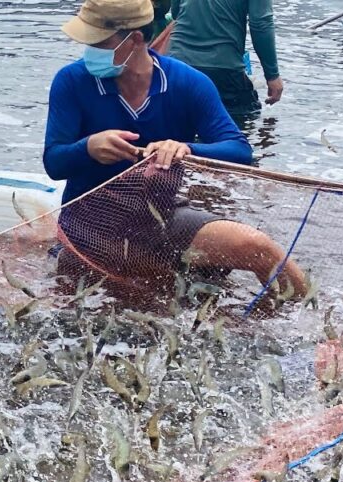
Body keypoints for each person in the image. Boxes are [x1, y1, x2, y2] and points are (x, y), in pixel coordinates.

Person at [43, 0, 306, 296]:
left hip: (161, 216)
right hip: (90, 223)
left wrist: (185, 149)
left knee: (257, 248)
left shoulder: (187, 83)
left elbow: (239, 150)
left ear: (136, 39)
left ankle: (315, 329)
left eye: (98, 42)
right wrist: (87, 148)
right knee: (149, 291)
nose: (88, 50)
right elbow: (54, 162)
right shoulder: (71, 81)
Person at [167, 0, 283, 118]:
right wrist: (272, 75)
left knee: (178, 127)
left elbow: (176, 12)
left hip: (177, 63)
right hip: (224, 69)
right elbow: (261, 23)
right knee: (242, 122)